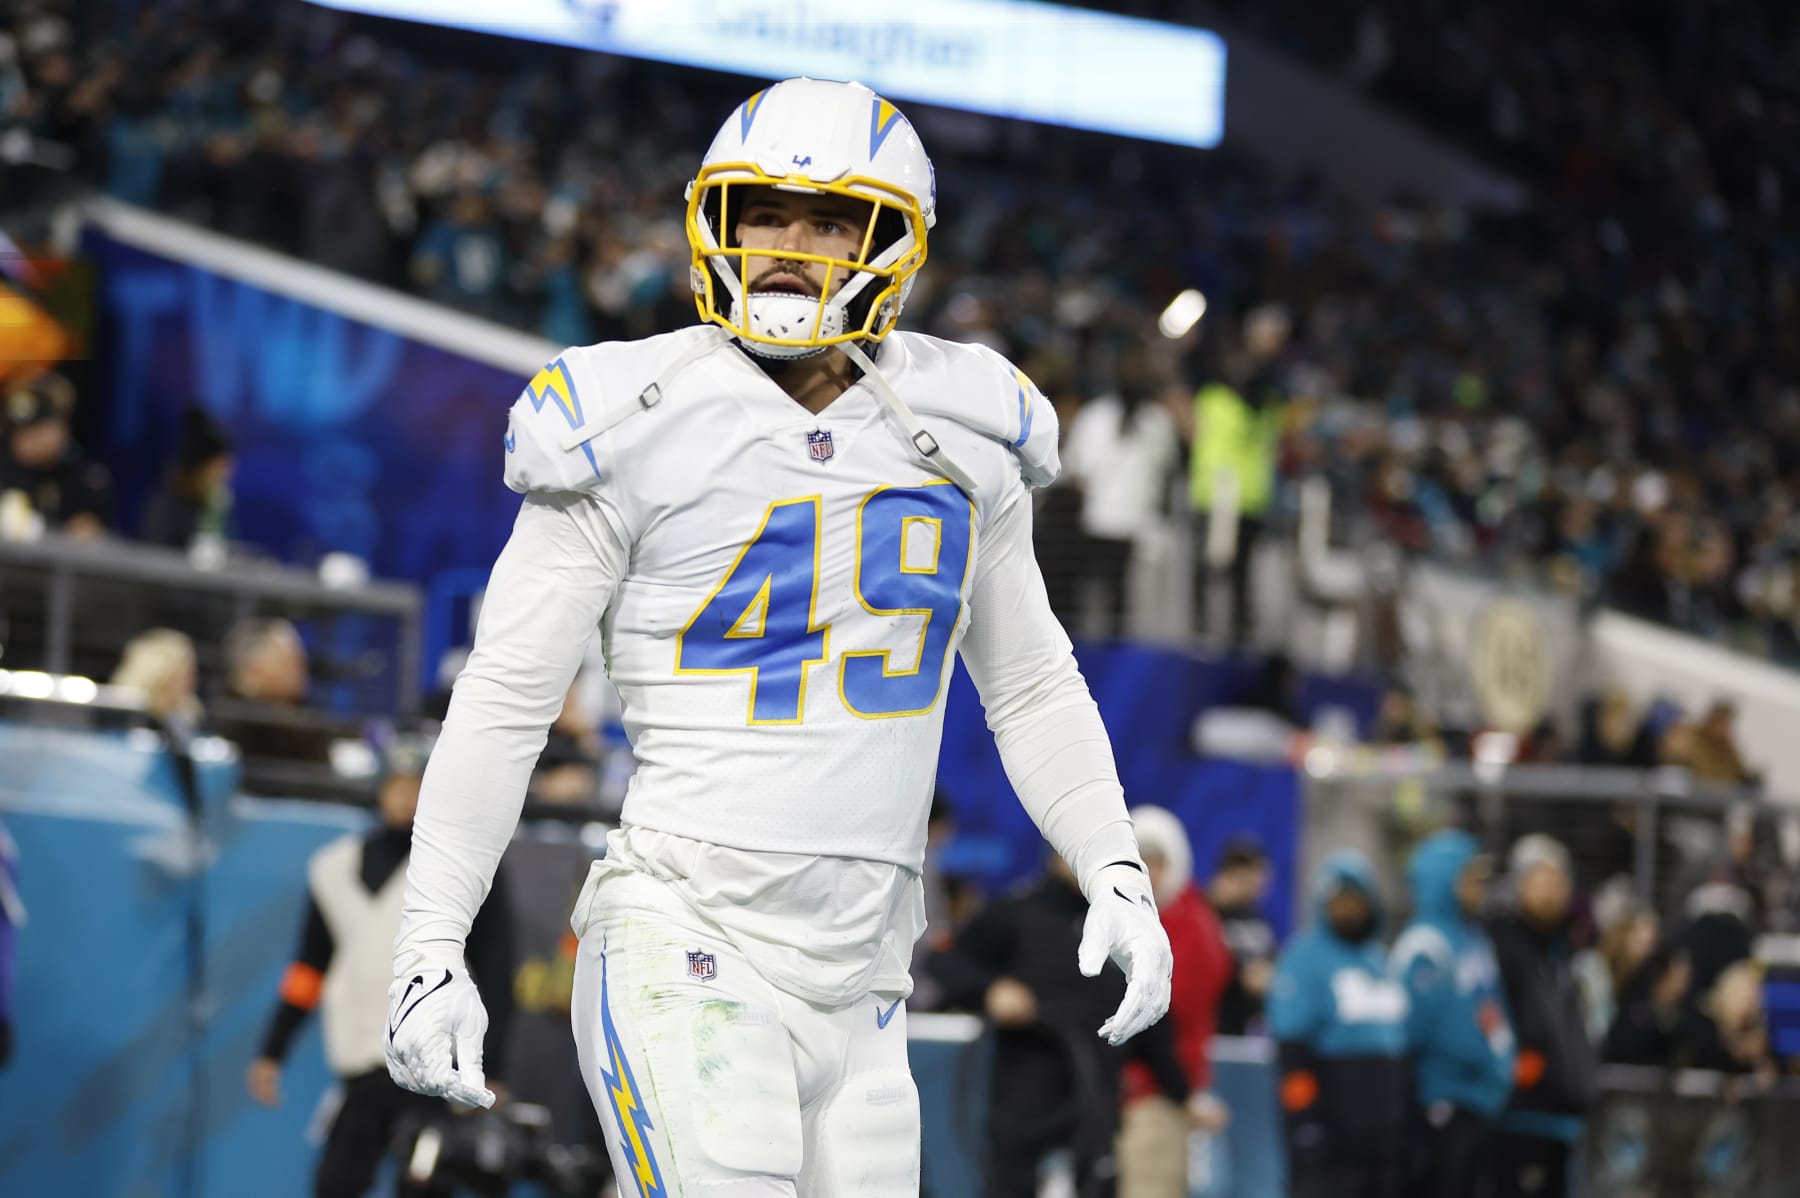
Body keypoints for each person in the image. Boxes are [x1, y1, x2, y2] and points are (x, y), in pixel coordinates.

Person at [384, 76, 1174, 1198]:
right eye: (763, 214)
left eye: (826, 222)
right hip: (685, 930)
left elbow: (1033, 684)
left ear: (890, 241)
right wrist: (429, 940)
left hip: (869, 976)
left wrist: (1114, 867)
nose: (787, 248)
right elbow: (506, 698)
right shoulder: (627, 414)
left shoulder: (964, 427)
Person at [248, 734, 516, 1198]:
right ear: (379, 789)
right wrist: (274, 1049)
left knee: (425, 1187)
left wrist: (489, 1066)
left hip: (437, 1072)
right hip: (363, 1067)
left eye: (418, 786)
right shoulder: (333, 868)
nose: (407, 797)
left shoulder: (464, 870)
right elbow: (310, 968)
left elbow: (494, 970)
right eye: (398, 785)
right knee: (336, 1184)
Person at [931, 853, 1192, 1198]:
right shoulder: (1017, 911)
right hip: (1025, 1097)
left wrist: (1184, 1093)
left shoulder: (1127, 923)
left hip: (1097, 1100)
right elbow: (945, 963)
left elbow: (1151, 1020)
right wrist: (992, 989)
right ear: (1055, 856)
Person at [1268, 850, 1411, 1198]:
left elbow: (1400, 1040)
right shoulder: (1303, 959)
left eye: (1354, 900)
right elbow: (1291, 1050)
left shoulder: (1380, 960)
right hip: (1332, 1135)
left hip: (1384, 1134)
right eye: (1338, 902)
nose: (1347, 910)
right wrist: (1304, 1120)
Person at [1390, 831, 1515, 1198]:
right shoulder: (1424, 945)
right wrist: (1474, 1058)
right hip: (1441, 1103)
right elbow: (1413, 1027)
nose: (1480, 889)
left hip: (1480, 1102)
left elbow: (1490, 1010)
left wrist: (1501, 1063)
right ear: (1445, 880)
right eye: (1471, 879)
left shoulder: (1473, 940)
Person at [1117, 806, 1233, 1198]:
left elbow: (1162, 1016)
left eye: (1157, 860)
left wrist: (1184, 1090)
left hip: (1156, 1096)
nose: (1147, 871)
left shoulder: (1191, 926)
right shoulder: (1131, 917)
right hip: (1116, 1095)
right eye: (1138, 859)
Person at [1486, 836, 1597, 1198]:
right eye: (1542, 882)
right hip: (1521, 1116)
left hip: (1562, 1118)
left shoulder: (1561, 951)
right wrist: (1517, 1070)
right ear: (1519, 884)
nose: (1552, 893)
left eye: (1558, 883)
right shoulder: (1501, 945)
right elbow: (1487, 1016)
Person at [0, 372, 111, 539]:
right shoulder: (5, 465)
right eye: (16, 430)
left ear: (61, 432)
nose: (21, 441)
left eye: (35, 433)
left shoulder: (85, 482)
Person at [140, 404, 234, 550]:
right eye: (220, 468)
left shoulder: (215, 505)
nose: (226, 475)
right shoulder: (165, 508)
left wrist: (215, 513)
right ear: (200, 469)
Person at [1209, 837, 1277, 1035]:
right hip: (1219, 1025)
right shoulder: (1208, 914)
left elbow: (1272, 963)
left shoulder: (1259, 920)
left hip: (1253, 1029)